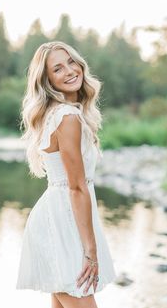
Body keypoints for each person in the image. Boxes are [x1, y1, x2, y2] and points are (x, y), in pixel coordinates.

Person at [16, 41, 117, 308]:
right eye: (58, 68)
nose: (70, 70)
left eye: (71, 61)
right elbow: (76, 187)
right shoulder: (67, 117)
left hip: (60, 218)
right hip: (62, 223)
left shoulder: (64, 114)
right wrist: (90, 251)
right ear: (47, 80)